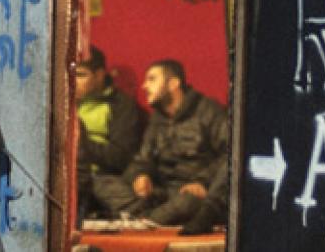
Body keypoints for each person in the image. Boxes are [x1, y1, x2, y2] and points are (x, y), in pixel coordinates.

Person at [104, 59, 229, 230]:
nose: (144, 86)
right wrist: (140, 176)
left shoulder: (208, 110)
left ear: (173, 84)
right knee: (103, 184)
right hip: (163, 193)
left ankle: (145, 220)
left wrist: (203, 182)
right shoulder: (157, 118)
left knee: (187, 202)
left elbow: (229, 155)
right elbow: (142, 159)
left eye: (152, 79)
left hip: (194, 193)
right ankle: (150, 217)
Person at [75, 47, 146, 218]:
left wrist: (81, 140)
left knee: (133, 208)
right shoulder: (63, 102)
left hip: (99, 176)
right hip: (64, 174)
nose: (73, 81)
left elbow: (119, 157)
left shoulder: (121, 105)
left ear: (99, 75)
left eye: (81, 75)